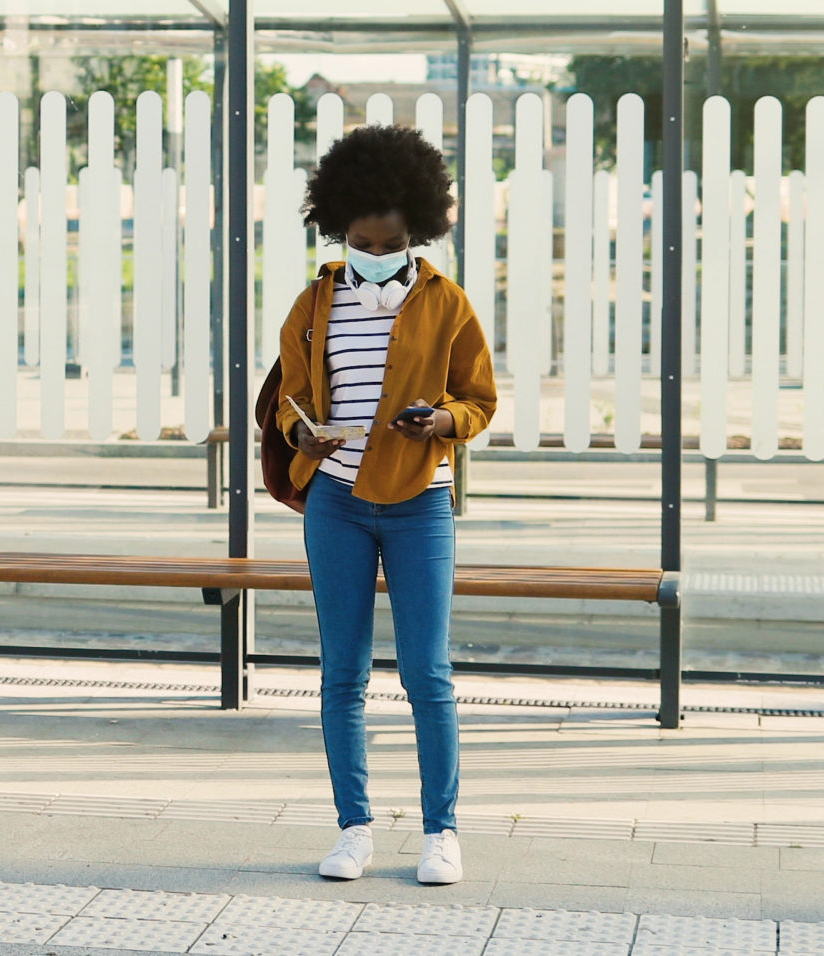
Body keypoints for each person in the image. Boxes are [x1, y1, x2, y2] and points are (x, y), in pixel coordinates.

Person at [270, 125, 497, 886]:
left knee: (427, 673)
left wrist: (440, 422)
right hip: (336, 501)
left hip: (420, 505)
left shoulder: (448, 303)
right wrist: (304, 434)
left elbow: (479, 401)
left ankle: (442, 831)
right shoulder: (313, 303)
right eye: (358, 239)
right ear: (338, 229)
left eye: (388, 240)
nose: (372, 249)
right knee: (343, 674)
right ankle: (353, 828)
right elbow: (290, 402)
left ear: (416, 231)